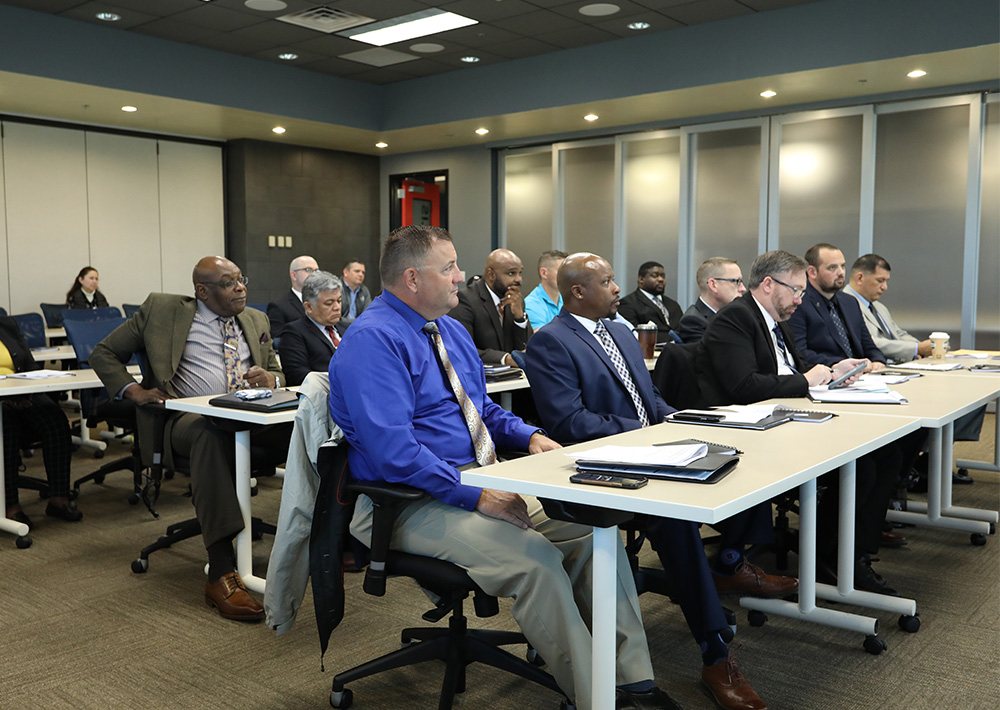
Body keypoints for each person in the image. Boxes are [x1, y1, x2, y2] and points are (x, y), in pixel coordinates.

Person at [330, 225, 681, 710]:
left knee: (592, 530)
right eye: (449, 267)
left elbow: (482, 410)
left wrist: (530, 436)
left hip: (479, 478)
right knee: (534, 560)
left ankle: (632, 680)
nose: (460, 277)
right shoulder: (373, 341)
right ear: (412, 278)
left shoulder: (449, 329)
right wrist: (477, 495)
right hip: (411, 499)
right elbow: (395, 453)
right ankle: (598, 698)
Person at [525, 252, 785, 710]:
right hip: (598, 470)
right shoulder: (551, 342)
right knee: (678, 516)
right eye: (606, 281)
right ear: (578, 292)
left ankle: (729, 562)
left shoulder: (622, 331)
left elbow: (651, 400)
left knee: (738, 465)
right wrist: (645, 437)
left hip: (650, 451)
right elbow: (569, 422)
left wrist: (686, 423)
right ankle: (715, 652)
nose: (617, 288)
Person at [90, 256, 290, 622]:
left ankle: (331, 537)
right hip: (186, 420)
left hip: (250, 415)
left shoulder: (256, 319)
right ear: (202, 291)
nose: (241, 287)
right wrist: (133, 391)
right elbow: (103, 352)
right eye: (229, 282)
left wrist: (271, 380)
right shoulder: (162, 311)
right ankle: (221, 570)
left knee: (314, 426)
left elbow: (276, 369)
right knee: (208, 433)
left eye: (240, 279)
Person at [695, 250, 902, 594]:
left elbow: (799, 365)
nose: (799, 300)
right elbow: (743, 386)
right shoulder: (736, 319)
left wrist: (835, 372)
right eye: (795, 291)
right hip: (748, 429)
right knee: (860, 466)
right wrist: (808, 380)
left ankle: (848, 553)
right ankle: (828, 557)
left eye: (802, 292)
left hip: (786, 418)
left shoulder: (778, 320)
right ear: (767, 284)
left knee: (883, 453)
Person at [843, 253, 985, 453]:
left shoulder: (878, 307)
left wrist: (926, 347)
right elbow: (872, 343)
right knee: (944, 400)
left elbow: (898, 334)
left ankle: (929, 459)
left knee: (966, 398)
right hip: (878, 371)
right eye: (880, 281)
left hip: (899, 367)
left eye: (886, 281)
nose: (885, 287)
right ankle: (924, 461)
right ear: (860, 278)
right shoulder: (846, 304)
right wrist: (917, 349)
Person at [2, 316, 82, 528]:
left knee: (54, 418)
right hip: (2, 404)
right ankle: (10, 506)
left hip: (19, 393)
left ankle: (58, 498)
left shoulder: (6, 324)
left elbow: (28, 362)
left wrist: (39, 381)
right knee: (5, 425)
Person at [787, 244, 886, 372]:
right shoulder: (798, 303)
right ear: (812, 272)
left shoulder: (849, 302)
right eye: (832, 268)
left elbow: (868, 344)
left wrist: (877, 360)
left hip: (862, 377)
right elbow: (800, 353)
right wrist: (841, 365)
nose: (841, 273)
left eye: (843, 266)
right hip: (827, 376)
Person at [448, 248, 532, 368]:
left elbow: (524, 350)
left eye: (520, 273)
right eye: (511, 273)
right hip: (482, 378)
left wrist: (519, 318)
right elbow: (462, 349)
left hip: (514, 380)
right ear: (491, 275)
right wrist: (505, 359)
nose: (518, 279)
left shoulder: (516, 300)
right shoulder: (465, 299)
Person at [277, 270, 345, 387]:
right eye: (329, 303)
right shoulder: (294, 332)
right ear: (309, 307)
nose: (337, 307)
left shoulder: (347, 328)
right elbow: (296, 375)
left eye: (339, 301)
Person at [676, 258, 746, 344]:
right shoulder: (693, 321)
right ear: (713, 285)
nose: (743, 289)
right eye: (737, 281)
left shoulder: (735, 316)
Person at [617, 261, 683, 343]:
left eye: (663, 276)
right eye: (655, 276)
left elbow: (682, 329)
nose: (661, 279)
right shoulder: (628, 304)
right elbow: (633, 334)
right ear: (641, 279)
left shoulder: (673, 304)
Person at [267, 255, 318, 339]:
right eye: (308, 270)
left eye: (316, 270)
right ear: (294, 275)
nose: (315, 275)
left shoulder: (323, 302)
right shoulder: (279, 306)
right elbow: (277, 340)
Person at [523, 249, 567, 329]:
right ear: (544, 273)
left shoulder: (567, 299)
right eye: (561, 271)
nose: (566, 276)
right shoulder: (532, 304)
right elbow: (542, 339)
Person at [339, 258, 371, 328]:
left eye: (363, 272)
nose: (361, 275)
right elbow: (336, 318)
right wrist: (356, 322)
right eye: (357, 271)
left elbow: (367, 315)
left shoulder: (364, 290)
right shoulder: (336, 288)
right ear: (346, 272)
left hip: (359, 327)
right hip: (340, 328)